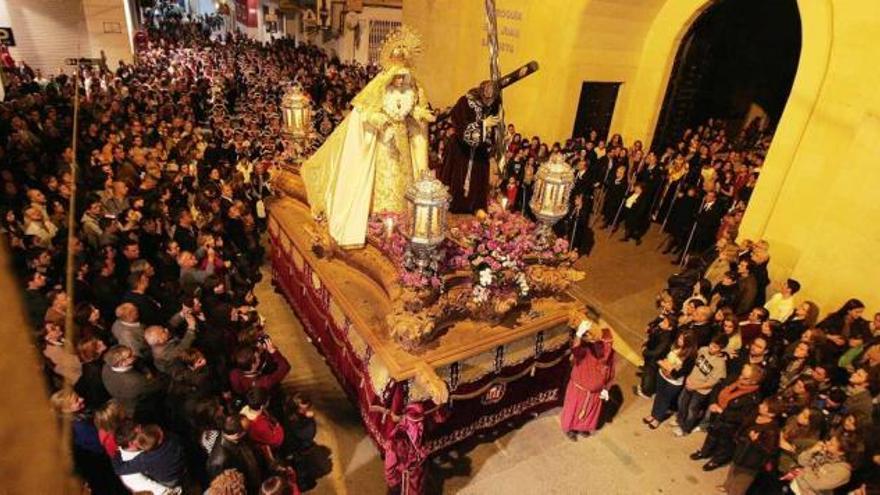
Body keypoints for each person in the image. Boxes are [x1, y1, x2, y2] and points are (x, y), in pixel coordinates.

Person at [301, 27, 433, 248]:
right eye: (397, 76)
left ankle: (402, 215)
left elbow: (416, 113)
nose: (400, 81)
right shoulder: (380, 88)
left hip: (402, 142)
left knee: (404, 179)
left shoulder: (414, 89)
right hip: (383, 142)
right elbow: (362, 110)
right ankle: (379, 213)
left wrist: (420, 114)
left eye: (403, 77)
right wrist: (377, 118)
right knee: (383, 178)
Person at [437, 79, 501, 214]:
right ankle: (448, 207)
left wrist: (493, 133)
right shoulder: (465, 102)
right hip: (461, 150)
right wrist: (483, 125)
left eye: (492, 99)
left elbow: (495, 130)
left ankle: (476, 207)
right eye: (487, 99)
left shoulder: (493, 106)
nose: (489, 102)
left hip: (479, 153)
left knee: (478, 181)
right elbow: (462, 128)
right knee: (456, 180)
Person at [690, 363, 764, 471]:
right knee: (711, 435)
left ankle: (716, 460)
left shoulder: (753, 398)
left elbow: (743, 417)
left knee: (724, 444)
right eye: (741, 374)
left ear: (753, 381)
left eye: (745, 378)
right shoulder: (734, 379)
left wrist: (722, 411)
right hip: (717, 415)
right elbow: (718, 388)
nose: (740, 378)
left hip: (730, 424)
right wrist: (713, 402)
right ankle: (704, 452)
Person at [560, 321, 615, 439]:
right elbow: (575, 349)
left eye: (609, 343)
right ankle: (571, 429)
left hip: (595, 393)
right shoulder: (586, 350)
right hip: (579, 390)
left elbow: (610, 371)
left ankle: (582, 428)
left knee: (590, 412)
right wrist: (578, 335)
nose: (608, 347)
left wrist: (606, 388)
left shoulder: (608, 355)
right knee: (574, 410)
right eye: (606, 343)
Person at [719, 399, 782, 495]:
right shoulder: (755, 415)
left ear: (771, 414)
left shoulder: (771, 430)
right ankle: (727, 487)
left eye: (765, 406)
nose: (760, 405)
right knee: (733, 471)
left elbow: (769, 450)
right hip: (741, 451)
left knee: (742, 481)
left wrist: (756, 441)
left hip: (751, 461)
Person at [674, 334, 728, 436]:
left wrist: (696, 386)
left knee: (692, 409)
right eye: (712, 344)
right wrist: (688, 378)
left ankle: (685, 428)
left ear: (721, 348)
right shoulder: (703, 350)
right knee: (681, 402)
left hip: (701, 391)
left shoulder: (720, 364)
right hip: (690, 382)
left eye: (716, 347)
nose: (711, 348)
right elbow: (693, 364)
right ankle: (680, 421)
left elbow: (712, 382)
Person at [644, 332, 697, 429]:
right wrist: (665, 365)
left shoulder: (690, 356)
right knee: (658, 396)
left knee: (665, 400)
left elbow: (681, 372)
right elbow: (663, 358)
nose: (679, 341)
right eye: (679, 338)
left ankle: (658, 418)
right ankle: (653, 414)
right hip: (662, 375)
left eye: (682, 340)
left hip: (673, 382)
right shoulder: (674, 346)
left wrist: (667, 367)